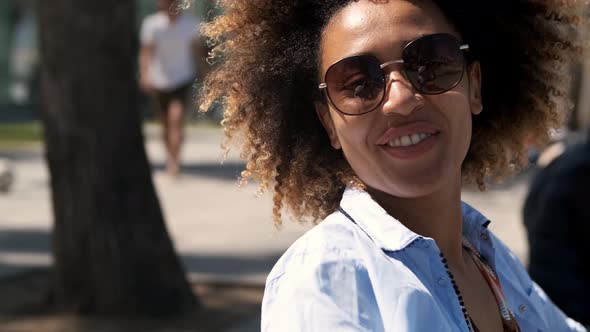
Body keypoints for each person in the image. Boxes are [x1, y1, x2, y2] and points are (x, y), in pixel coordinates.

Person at [199, 0, 587, 331]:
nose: (400, 99)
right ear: (328, 123)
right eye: (358, 83)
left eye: (431, 63)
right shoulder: (326, 279)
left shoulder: (487, 256)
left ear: (475, 86)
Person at [524, 135, 590, 327]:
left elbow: (528, 213)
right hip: (569, 306)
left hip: (540, 296)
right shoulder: (582, 169)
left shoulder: (564, 159)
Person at [139, 0, 204, 177]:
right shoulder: (152, 25)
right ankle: (170, 155)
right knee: (166, 124)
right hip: (160, 80)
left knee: (176, 118)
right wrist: (145, 75)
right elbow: (146, 53)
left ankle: (175, 161)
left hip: (183, 78)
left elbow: (198, 51)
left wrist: (205, 74)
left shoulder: (190, 24)